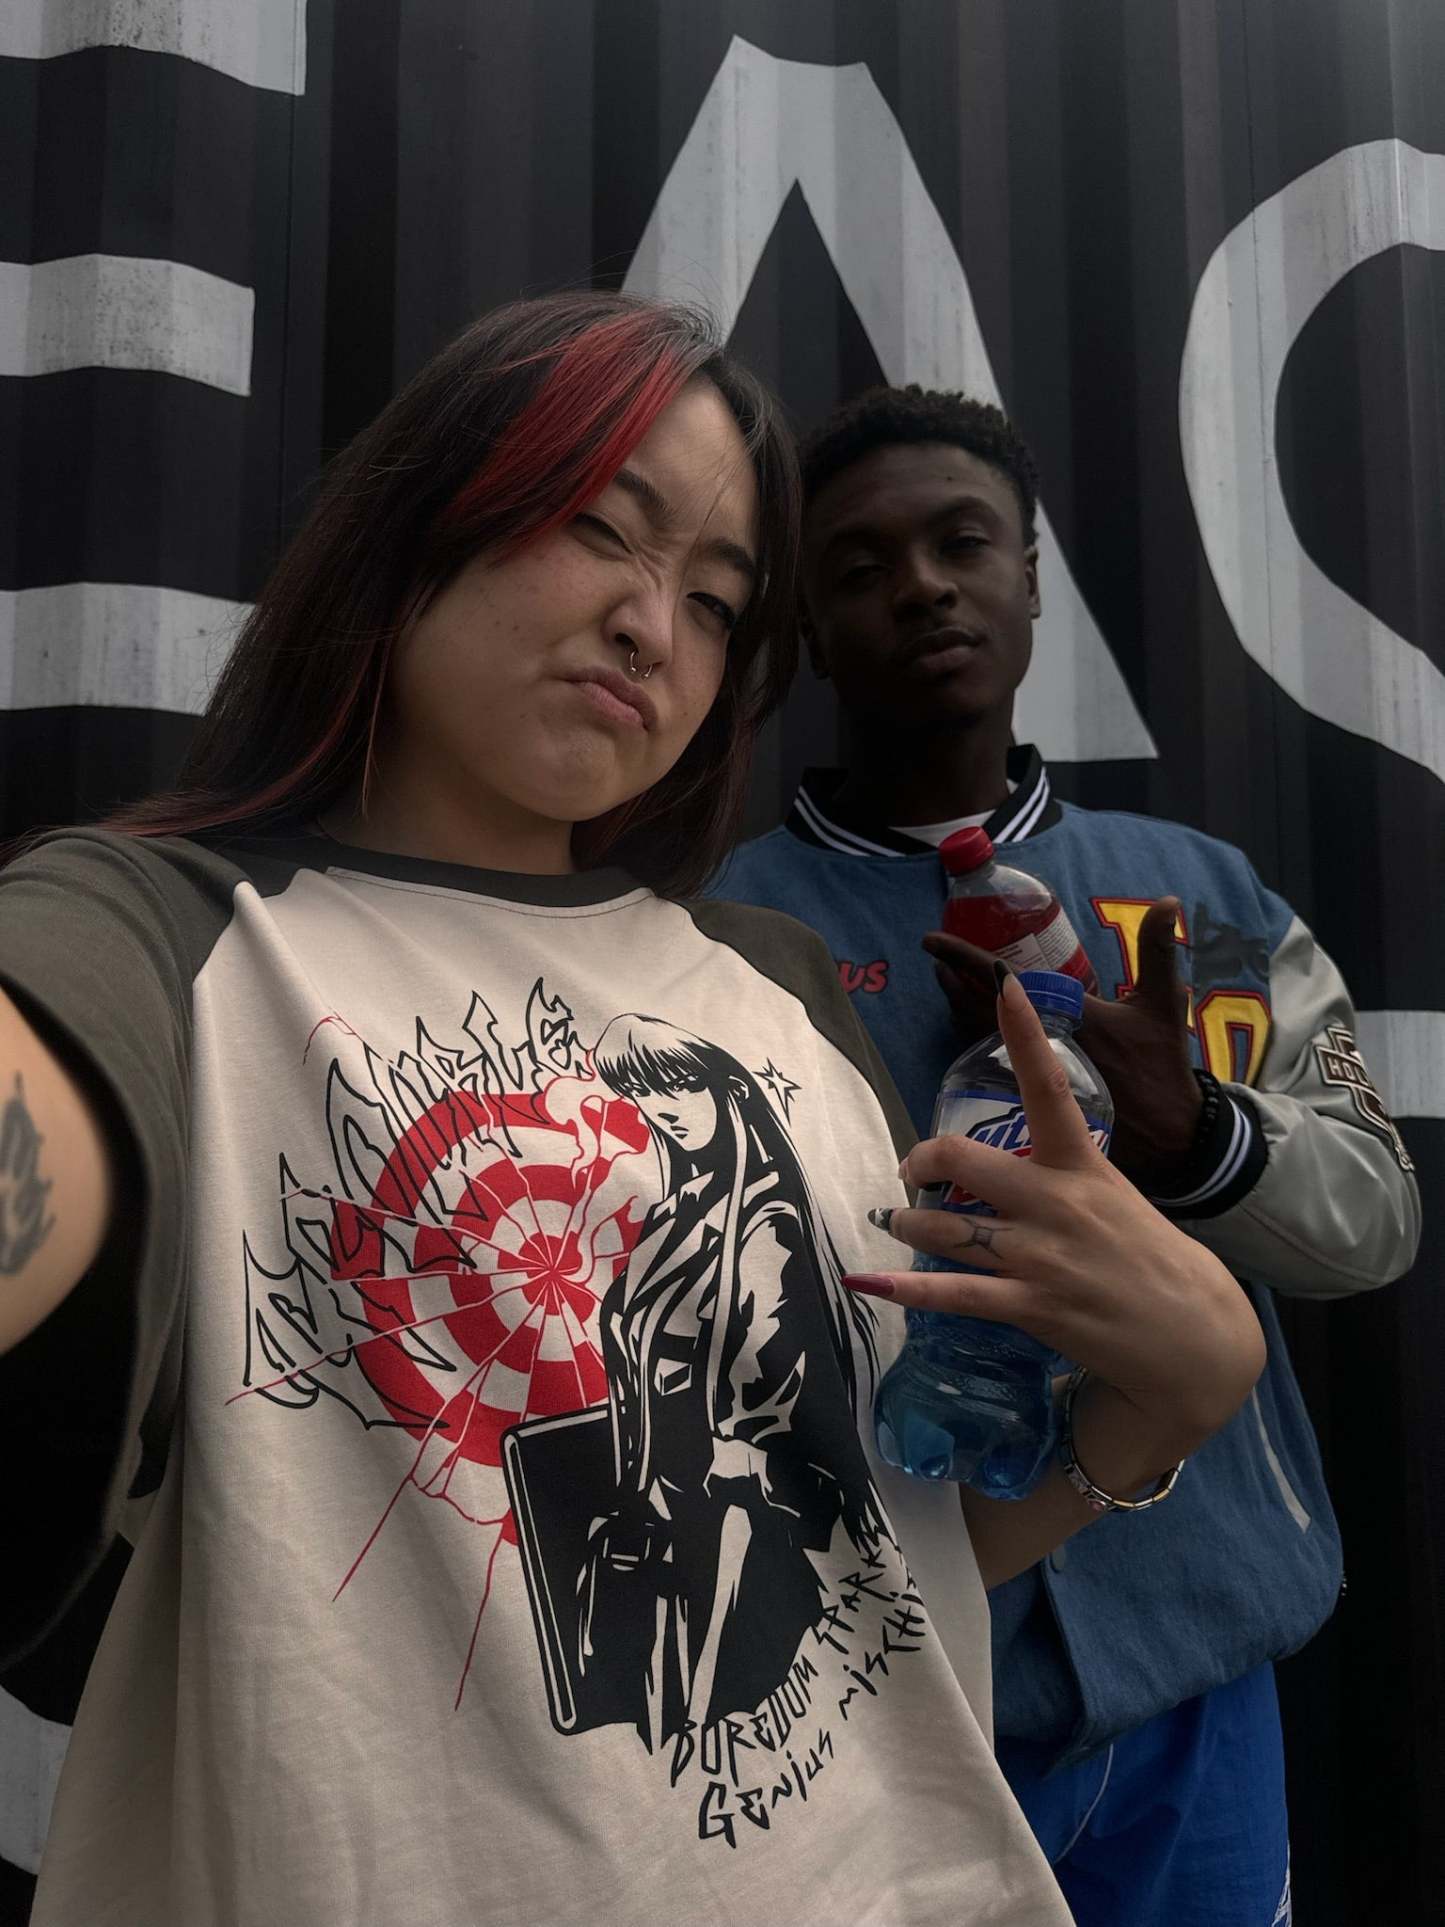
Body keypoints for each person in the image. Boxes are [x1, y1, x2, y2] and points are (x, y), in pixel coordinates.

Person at [0, 295, 1263, 1927]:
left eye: (717, 600)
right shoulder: (169, 931)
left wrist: (1162, 1399)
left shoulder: (772, 978)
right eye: (599, 527)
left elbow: (869, 1550)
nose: (650, 625)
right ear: (417, 520)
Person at [715, 383, 1423, 1926]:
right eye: (860, 567)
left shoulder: (1196, 897)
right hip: (883, 1687)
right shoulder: (721, 926)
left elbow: (1374, 1223)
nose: (921, 587)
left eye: (962, 543)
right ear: (807, 631)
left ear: (1031, 577)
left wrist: (1193, 1135)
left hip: (1193, 1669)